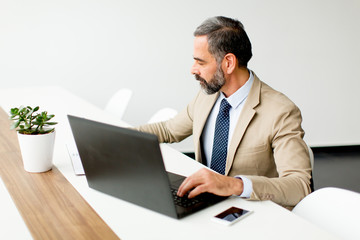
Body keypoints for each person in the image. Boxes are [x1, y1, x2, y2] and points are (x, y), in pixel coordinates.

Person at [136, 16, 312, 209]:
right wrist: (118, 136)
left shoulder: (280, 111)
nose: (192, 70)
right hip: (206, 204)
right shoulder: (208, 95)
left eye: (200, 62)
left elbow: (300, 186)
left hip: (251, 210)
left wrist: (233, 184)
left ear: (228, 63)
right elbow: (168, 130)